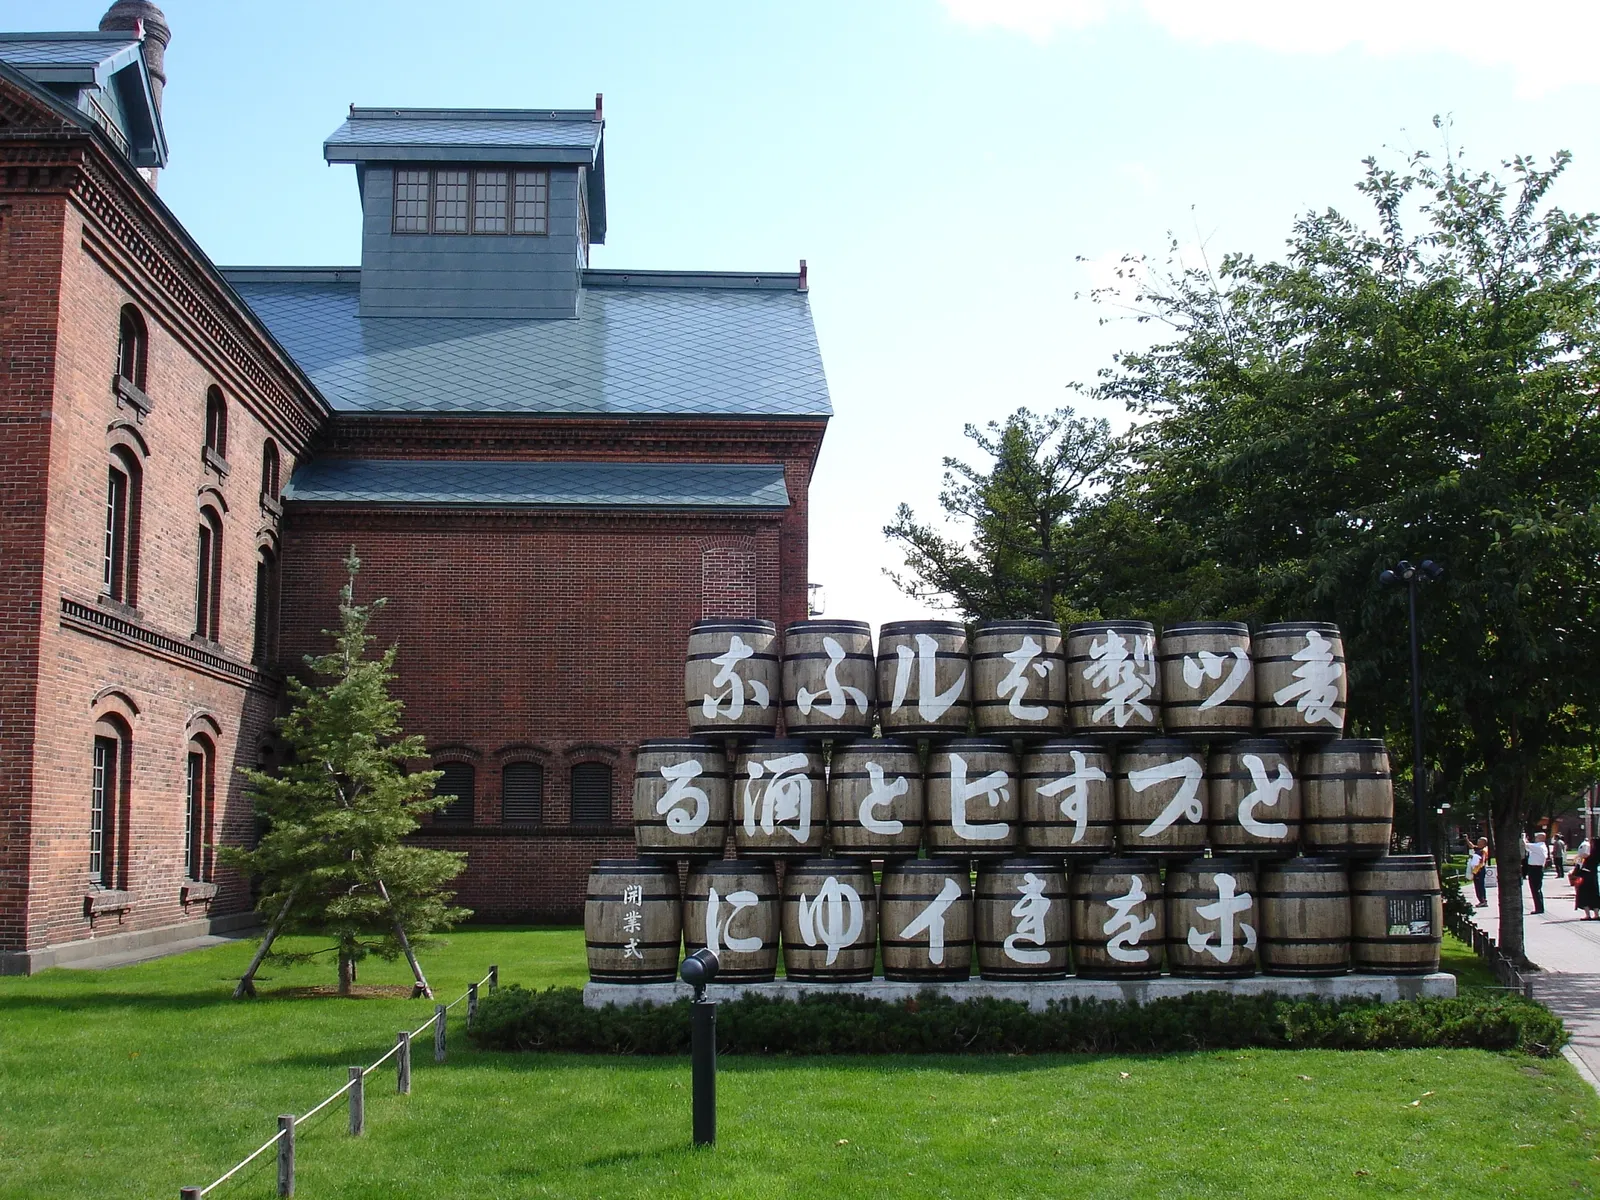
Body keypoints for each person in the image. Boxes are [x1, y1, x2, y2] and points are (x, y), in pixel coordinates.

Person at [1572, 839, 1599, 920]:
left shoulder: (1587, 855)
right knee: (1594, 894)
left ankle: (1587, 915)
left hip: (1585, 875)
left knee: (1584, 894)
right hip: (1593, 875)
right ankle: (1596, 914)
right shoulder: (1597, 853)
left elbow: (1581, 861)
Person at [1525, 831, 1549, 914]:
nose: (1535, 839)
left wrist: (1523, 837)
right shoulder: (1539, 846)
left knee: (1535, 889)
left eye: (1537, 837)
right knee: (1536, 889)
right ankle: (1539, 907)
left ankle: (1539, 908)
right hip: (1536, 869)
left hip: (1535, 869)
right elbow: (1528, 847)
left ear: (1541, 838)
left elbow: (1526, 845)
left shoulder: (1539, 846)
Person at [1467, 838, 1490, 908]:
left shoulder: (1484, 850)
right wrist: (1467, 839)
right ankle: (1481, 900)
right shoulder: (1478, 849)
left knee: (1480, 886)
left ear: (1484, 843)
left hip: (1479, 870)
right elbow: (1472, 846)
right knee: (1477, 886)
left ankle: (1483, 900)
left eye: (1479, 842)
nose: (1478, 843)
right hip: (1476, 870)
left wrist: (1476, 869)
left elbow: (1481, 861)